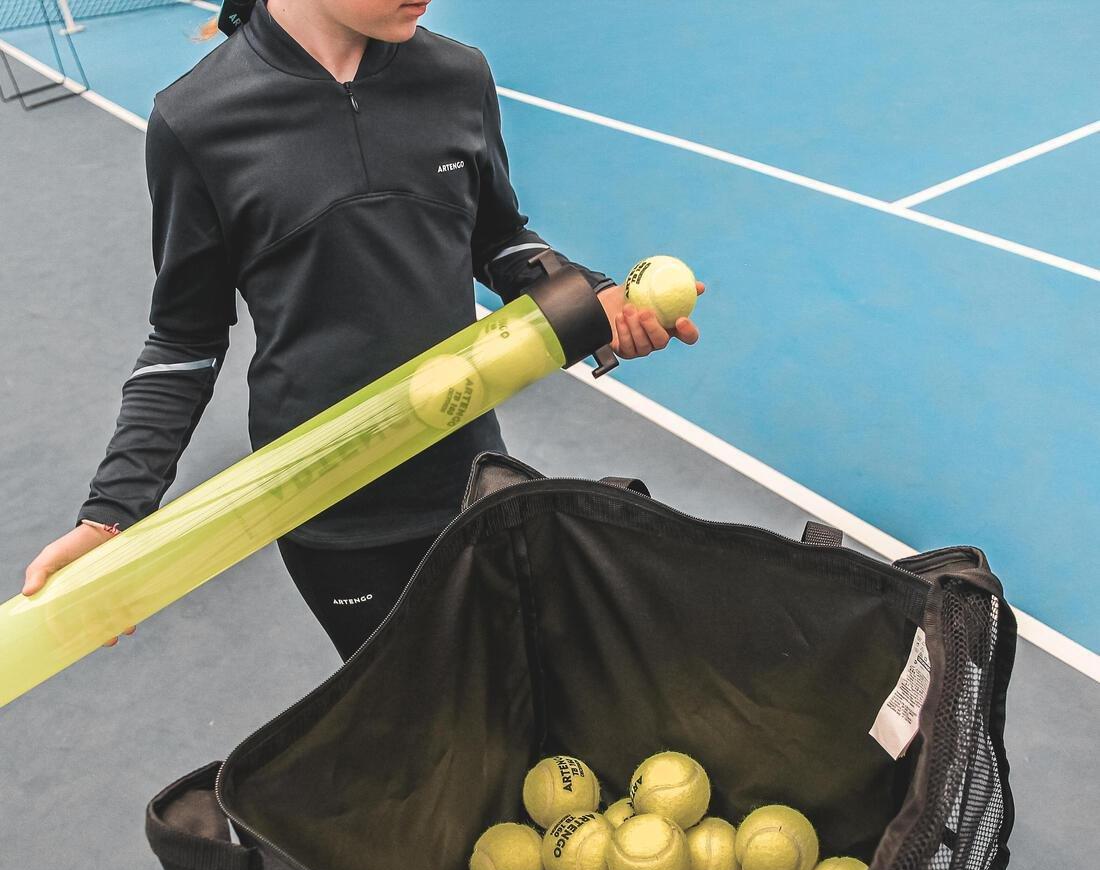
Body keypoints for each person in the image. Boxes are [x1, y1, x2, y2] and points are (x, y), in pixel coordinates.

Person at [21, 0, 703, 661]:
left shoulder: (457, 76)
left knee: (521, 692)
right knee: (415, 732)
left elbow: (496, 237)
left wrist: (593, 299)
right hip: (333, 518)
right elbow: (184, 341)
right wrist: (110, 514)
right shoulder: (195, 120)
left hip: (469, 478)